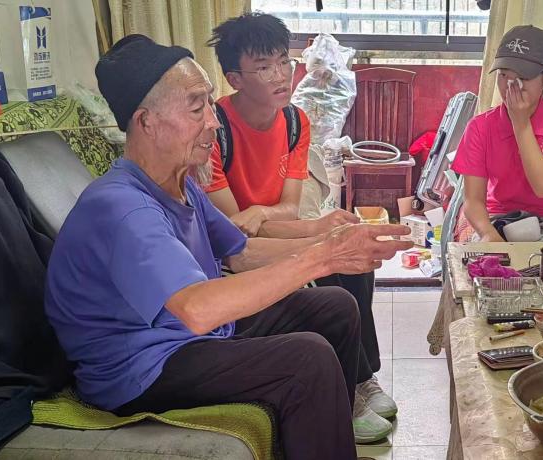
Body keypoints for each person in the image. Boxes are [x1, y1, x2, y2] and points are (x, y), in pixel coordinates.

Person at [44, 35, 412, 460]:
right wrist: (323, 256)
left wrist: (332, 242)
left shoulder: (180, 185)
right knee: (307, 359)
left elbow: (241, 252)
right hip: (140, 367)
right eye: (196, 108)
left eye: (210, 104)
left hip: (188, 338)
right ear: (146, 122)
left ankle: (329, 425)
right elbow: (197, 309)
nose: (214, 122)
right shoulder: (123, 207)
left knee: (334, 306)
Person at [203, 13, 396, 443]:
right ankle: (346, 393)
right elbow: (237, 232)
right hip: (234, 250)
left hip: (271, 229)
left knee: (355, 256)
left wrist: (291, 220)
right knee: (330, 265)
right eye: (264, 67)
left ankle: (361, 376)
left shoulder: (294, 121)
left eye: (283, 62)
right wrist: (307, 233)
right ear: (234, 78)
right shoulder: (215, 131)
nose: (281, 75)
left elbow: (288, 208)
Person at [452, 25, 543, 242]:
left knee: (541, 258)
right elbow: (473, 200)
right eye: (504, 75)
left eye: (523, 78)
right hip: (501, 218)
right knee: (485, 258)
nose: (511, 86)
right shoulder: (480, 127)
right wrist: (488, 234)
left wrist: (521, 124)